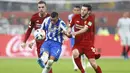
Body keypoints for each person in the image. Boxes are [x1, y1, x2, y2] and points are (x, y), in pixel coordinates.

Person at [69, 4, 102, 73]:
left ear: (88, 12)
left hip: (88, 44)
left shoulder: (90, 20)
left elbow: (85, 29)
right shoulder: (75, 17)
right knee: (75, 53)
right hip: (78, 43)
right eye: (82, 9)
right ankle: (83, 71)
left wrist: (75, 33)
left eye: (84, 10)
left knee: (93, 64)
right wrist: (68, 31)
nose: (82, 11)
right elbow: (70, 26)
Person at [20, 1, 52, 73]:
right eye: (39, 7)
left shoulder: (50, 18)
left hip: (48, 42)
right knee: (45, 64)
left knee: (46, 62)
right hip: (38, 43)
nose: (41, 9)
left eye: (43, 7)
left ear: (46, 7)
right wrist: (24, 41)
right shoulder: (34, 17)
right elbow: (29, 30)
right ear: (38, 8)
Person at [68, 5, 86, 71]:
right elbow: (69, 24)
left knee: (82, 52)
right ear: (73, 11)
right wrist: (68, 31)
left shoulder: (84, 17)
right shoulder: (70, 16)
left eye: (78, 10)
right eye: (75, 10)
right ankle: (75, 65)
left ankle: (83, 64)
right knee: (74, 51)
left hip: (81, 36)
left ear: (80, 11)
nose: (76, 12)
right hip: (73, 36)